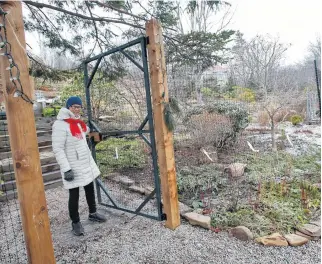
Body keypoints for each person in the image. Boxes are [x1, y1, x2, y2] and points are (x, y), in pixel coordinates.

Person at [52, 96, 106, 236]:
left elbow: (86, 131)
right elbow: (57, 149)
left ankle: (92, 213)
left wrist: (97, 133)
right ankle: (75, 222)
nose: (76, 109)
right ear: (68, 107)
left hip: (85, 162)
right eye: (74, 106)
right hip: (73, 165)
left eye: (79, 106)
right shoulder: (60, 125)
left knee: (89, 188)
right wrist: (66, 169)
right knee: (74, 194)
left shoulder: (78, 123)